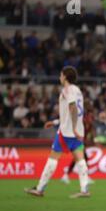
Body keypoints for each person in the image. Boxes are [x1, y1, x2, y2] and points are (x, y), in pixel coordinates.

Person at [24, 66, 90, 199]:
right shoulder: (77, 90)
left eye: (61, 75)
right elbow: (70, 112)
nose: (59, 77)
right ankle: (84, 190)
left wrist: (73, 128)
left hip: (67, 133)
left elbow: (72, 108)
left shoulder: (67, 89)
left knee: (52, 159)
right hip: (78, 132)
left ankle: (40, 188)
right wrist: (55, 122)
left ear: (65, 76)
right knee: (81, 160)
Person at [61, 100, 95, 185]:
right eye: (90, 117)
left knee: (78, 159)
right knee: (83, 158)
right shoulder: (82, 123)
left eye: (92, 117)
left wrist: (92, 140)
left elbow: (89, 136)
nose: (91, 119)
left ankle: (66, 175)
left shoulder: (90, 125)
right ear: (86, 117)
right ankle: (83, 176)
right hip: (74, 141)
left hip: (80, 143)